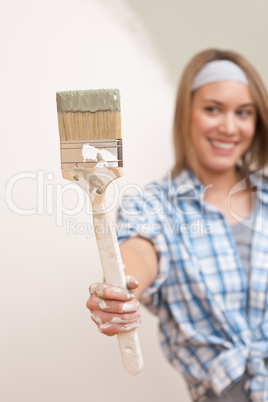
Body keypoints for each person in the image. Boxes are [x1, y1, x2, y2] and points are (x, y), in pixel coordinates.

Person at [86, 48, 268, 402]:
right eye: (213, 109)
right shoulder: (153, 206)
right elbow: (139, 250)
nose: (229, 127)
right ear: (188, 114)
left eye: (243, 113)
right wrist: (119, 289)